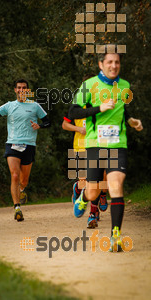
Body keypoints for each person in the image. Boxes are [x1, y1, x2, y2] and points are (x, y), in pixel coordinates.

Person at [71, 47, 143, 251]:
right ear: (101, 64)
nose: (114, 65)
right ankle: (83, 197)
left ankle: (115, 235)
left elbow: (122, 108)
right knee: (94, 192)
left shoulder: (125, 86)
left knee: (115, 187)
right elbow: (73, 111)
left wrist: (131, 121)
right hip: (94, 144)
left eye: (117, 62)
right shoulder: (89, 85)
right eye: (109, 62)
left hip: (118, 145)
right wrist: (98, 108)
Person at [0, 79, 50, 221]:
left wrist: (39, 126)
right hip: (12, 144)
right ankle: (17, 207)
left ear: (27, 91)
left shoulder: (35, 106)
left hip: (29, 145)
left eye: (24, 88)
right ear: (15, 90)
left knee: (24, 180)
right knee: (15, 175)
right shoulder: (9, 106)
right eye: (19, 88)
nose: (21, 90)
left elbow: (48, 121)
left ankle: (22, 190)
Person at [62, 76, 109, 229]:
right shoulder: (76, 106)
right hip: (80, 147)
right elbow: (64, 124)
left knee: (101, 181)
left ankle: (96, 207)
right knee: (86, 184)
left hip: (99, 146)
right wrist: (78, 129)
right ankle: (79, 190)